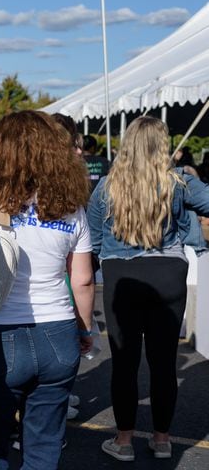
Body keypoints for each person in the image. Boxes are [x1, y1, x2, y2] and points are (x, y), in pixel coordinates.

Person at [0, 110, 94, 469]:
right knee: (44, 446)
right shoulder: (70, 199)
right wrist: (85, 328)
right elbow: (82, 279)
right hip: (58, 330)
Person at [88, 116, 209, 462]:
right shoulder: (178, 183)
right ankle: (162, 440)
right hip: (168, 274)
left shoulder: (106, 187)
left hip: (121, 277)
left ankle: (124, 441)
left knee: (124, 363)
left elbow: (95, 242)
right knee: (163, 363)